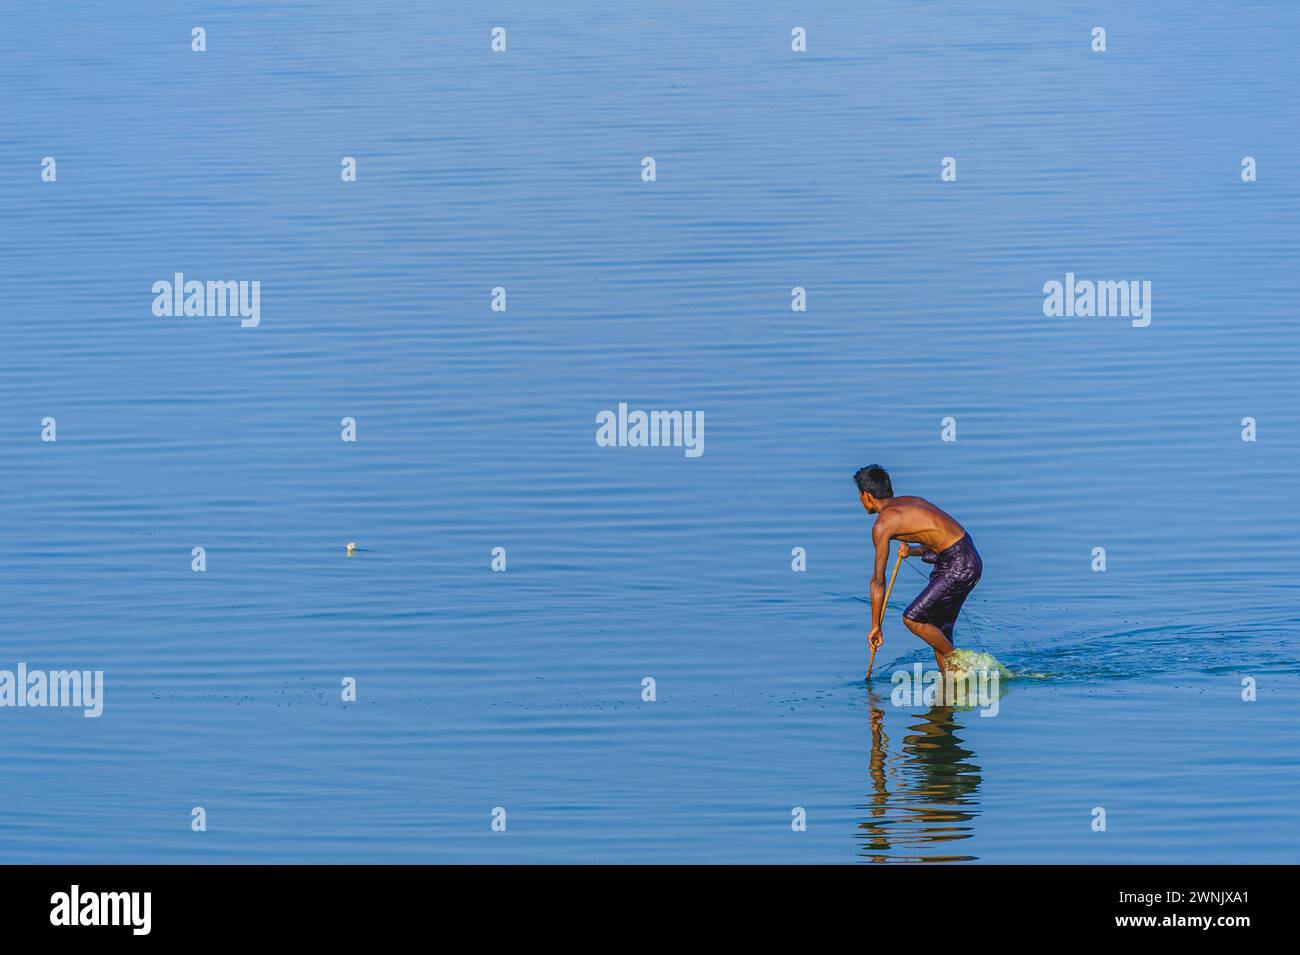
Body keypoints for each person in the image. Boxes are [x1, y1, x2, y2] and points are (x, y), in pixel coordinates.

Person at [854, 464, 982, 673]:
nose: (860, 500)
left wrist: (875, 625)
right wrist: (912, 551)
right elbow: (938, 538)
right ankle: (950, 682)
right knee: (937, 631)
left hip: (958, 563)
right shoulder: (911, 503)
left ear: (867, 495)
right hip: (965, 557)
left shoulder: (882, 525)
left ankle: (961, 665)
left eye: (859, 495)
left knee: (913, 618)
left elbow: (878, 580)